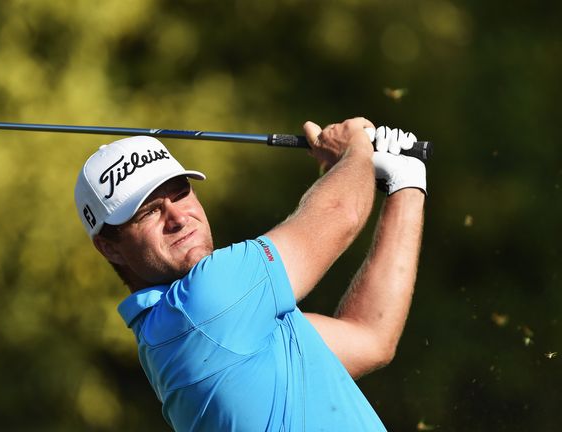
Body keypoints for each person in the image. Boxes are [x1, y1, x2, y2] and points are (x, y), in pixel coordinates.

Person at [74, 117, 426, 431]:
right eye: (148, 211)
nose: (178, 217)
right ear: (109, 247)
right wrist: (355, 148)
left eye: (180, 193)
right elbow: (341, 212)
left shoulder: (226, 323)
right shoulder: (201, 307)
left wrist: (406, 182)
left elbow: (370, 337)